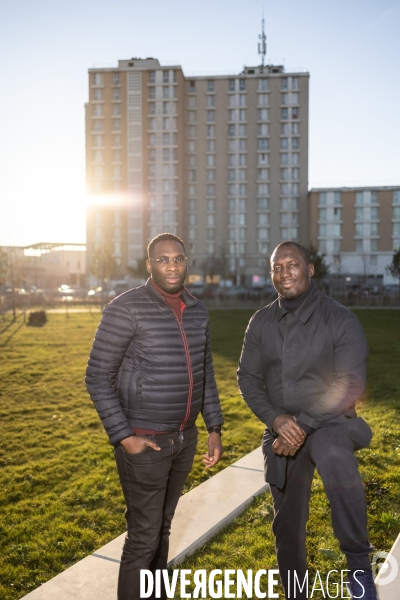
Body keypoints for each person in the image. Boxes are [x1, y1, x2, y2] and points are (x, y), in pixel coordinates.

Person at [86, 233, 224, 600]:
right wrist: (125, 437)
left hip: (184, 439)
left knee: (162, 529)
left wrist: (214, 427)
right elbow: (97, 377)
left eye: (178, 258)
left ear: (186, 262)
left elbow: (205, 372)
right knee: (143, 537)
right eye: (163, 260)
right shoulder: (126, 308)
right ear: (149, 265)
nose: (172, 265)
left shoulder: (197, 310)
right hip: (145, 442)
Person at [237, 241, 377, 600]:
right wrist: (275, 419)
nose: (285, 273)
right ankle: (295, 590)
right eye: (277, 267)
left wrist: (303, 425)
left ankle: (359, 570)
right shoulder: (261, 321)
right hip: (281, 427)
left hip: (331, 422)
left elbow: (349, 383)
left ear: (310, 269)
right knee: (286, 523)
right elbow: (247, 378)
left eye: (293, 264)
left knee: (333, 454)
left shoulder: (339, 318)